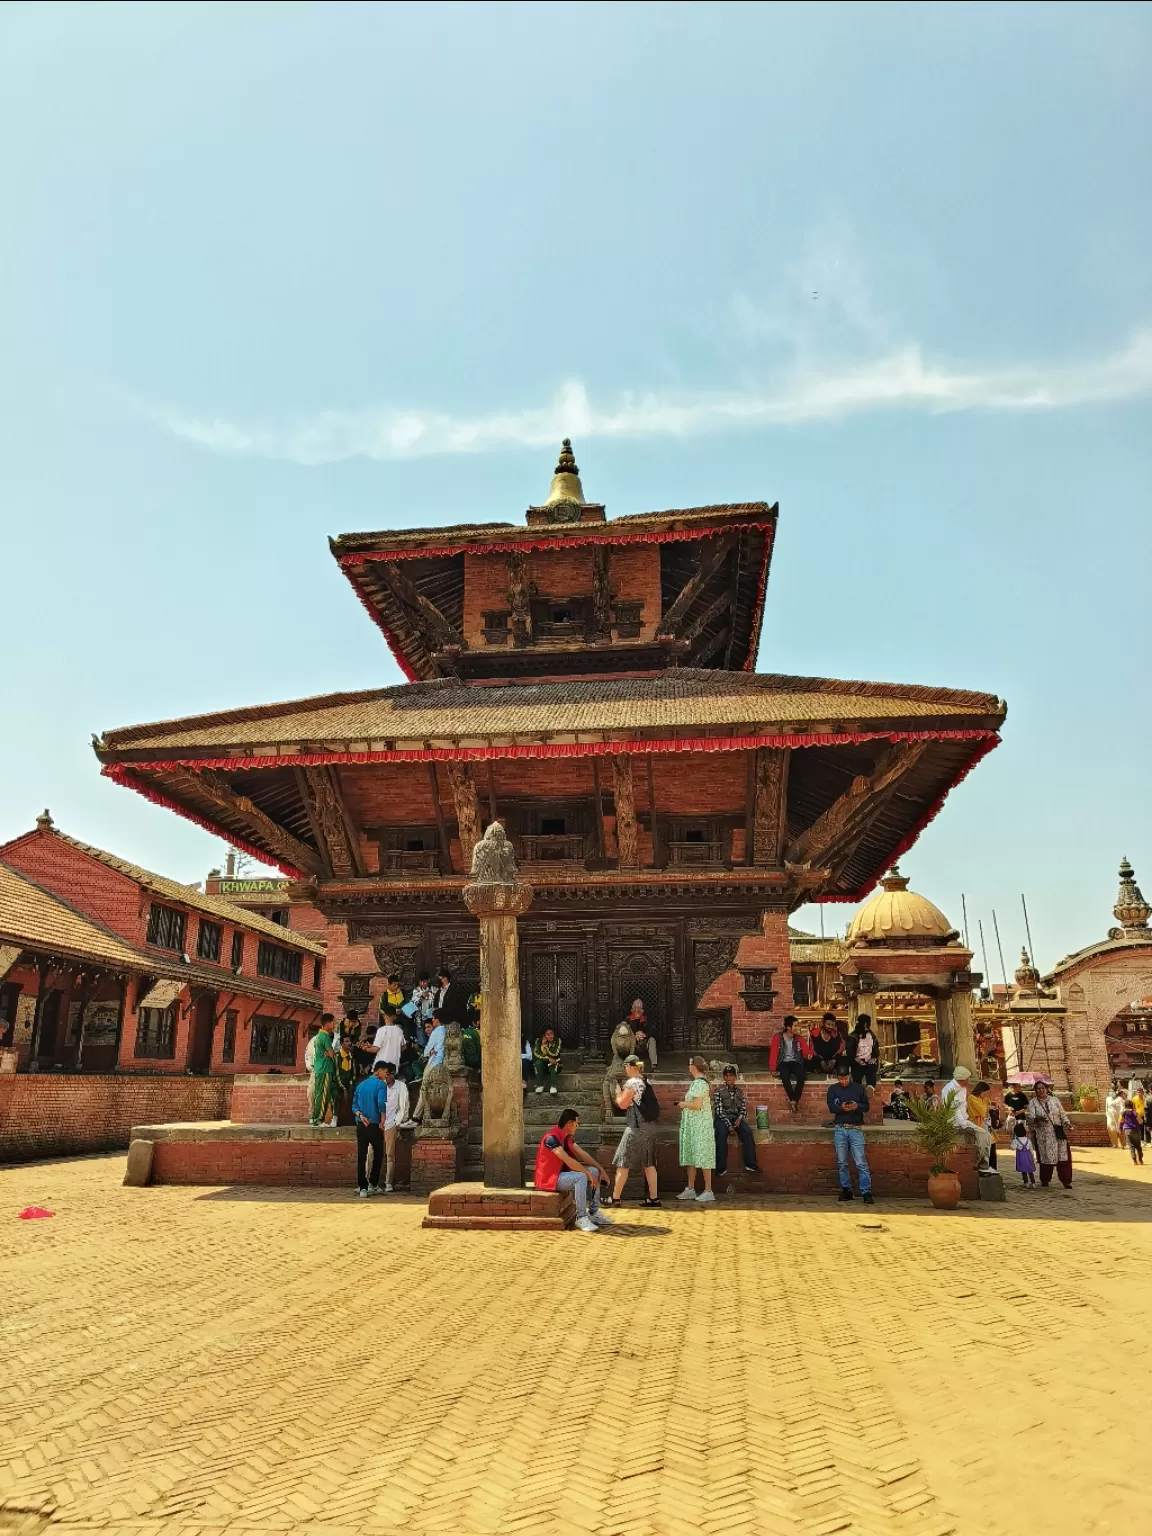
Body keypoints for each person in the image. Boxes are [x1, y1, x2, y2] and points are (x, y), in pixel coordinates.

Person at [534, 1109, 612, 1233]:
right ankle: (581, 1217)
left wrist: (601, 1170)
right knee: (580, 1176)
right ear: (570, 1124)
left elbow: (583, 1154)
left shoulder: (566, 1137)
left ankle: (594, 1212)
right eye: (576, 1124)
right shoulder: (551, 1139)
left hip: (563, 1174)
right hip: (550, 1178)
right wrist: (587, 1174)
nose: (577, 1126)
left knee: (594, 1171)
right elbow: (569, 1161)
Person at [610, 1055, 661, 1208]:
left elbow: (623, 1104)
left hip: (635, 1127)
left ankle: (615, 1198)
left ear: (631, 1066)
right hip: (649, 1128)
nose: (625, 1069)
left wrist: (618, 1093)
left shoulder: (632, 1083)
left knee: (623, 1162)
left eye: (626, 1066)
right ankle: (653, 1198)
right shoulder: (646, 1081)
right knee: (649, 1163)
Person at [826, 1058, 873, 1203]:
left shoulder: (858, 1088)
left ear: (850, 1076)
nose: (844, 1081)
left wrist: (856, 1106)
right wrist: (841, 1108)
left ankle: (866, 1192)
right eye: (841, 1079)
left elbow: (866, 1106)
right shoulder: (833, 1090)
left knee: (860, 1162)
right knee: (842, 1162)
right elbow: (831, 1107)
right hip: (840, 1128)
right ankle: (846, 1190)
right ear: (837, 1078)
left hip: (856, 1128)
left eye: (846, 1078)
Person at [675, 1055, 716, 1202]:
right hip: (694, 1126)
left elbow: (697, 1105)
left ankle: (708, 1190)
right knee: (692, 1155)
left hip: (701, 1126)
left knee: (704, 1156)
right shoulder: (697, 1083)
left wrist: (683, 1104)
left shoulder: (700, 1083)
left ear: (693, 1067)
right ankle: (690, 1188)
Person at [941, 1066, 994, 1171]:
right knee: (982, 1134)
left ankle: (983, 1163)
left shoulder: (963, 1089)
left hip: (964, 1120)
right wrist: (965, 1125)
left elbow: (963, 1108)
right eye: (967, 1079)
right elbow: (954, 1110)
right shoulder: (949, 1089)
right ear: (961, 1079)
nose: (968, 1081)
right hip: (954, 1122)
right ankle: (978, 1162)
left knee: (987, 1136)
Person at [351, 1061, 389, 1196]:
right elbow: (381, 1103)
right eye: (385, 1072)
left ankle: (362, 1187)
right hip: (374, 1124)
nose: (386, 1075)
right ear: (378, 1071)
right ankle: (373, 1183)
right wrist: (383, 1119)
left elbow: (354, 1105)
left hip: (361, 1124)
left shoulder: (360, 1085)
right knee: (378, 1153)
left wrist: (360, 1115)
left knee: (362, 1155)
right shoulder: (381, 1085)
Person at [1026, 1081, 1073, 1189]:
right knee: (1045, 1158)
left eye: (1043, 1088)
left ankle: (1066, 1181)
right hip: (1044, 1135)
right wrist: (1037, 1119)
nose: (1041, 1090)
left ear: (1046, 1089)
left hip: (1058, 1133)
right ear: (1035, 1091)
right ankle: (1045, 1179)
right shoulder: (1033, 1103)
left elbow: (1062, 1114)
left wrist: (1068, 1124)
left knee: (1063, 1157)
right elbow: (1030, 1118)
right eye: (1038, 1088)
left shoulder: (1054, 1100)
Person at [713, 1065, 759, 1176]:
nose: (729, 1078)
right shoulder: (718, 1091)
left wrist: (739, 1119)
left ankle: (750, 1164)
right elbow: (719, 1111)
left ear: (735, 1077)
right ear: (724, 1077)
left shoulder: (739, 1092)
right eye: (727, 1076)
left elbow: (743, 1109)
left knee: (747, 1132)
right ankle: (720, 1168)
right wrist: (729, 1125)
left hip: (736, 1118)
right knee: (721, 1133)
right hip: (722, 1119)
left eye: (731, 1076)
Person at [378, 1059, 410, 1192]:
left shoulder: (401, 1086)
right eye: (387, 1074)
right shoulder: (379, 1085)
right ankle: (371, 1182)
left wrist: (398, 1122)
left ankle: (388, 1183)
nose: (388, 1077)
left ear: (394, 1074)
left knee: (390, 1154)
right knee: (372, 1153)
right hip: (377, 1123)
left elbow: (404, 1106)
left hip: (391, 1122)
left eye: (391, 1074)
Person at [769, 1016, 811, 1113]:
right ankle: (794, 1099)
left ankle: (794, 1100)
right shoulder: (777, 1038)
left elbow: (806, 1050)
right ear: (788, 1027)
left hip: (796, 1061)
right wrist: (772, 1068)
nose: (798, 1028)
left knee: (801, 1076)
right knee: (784, 1076)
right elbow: (774, 1053)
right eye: (795, 1026)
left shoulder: (799, 1038)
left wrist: (808, 1055)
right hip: (783, 1062)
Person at [308, 1017, 336, 1126]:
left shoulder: (318, 1036)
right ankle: (318, 1119)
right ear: (327, 1023)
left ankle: (316, 1118)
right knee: (323, 1095)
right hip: (325, 1069)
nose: (334, 1024)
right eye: (333, 1022)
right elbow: (332, 1054)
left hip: (320, 1068)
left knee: (319, 1094)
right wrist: (330, 1053)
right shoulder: (325, 1037)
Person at [967, 1081, 998, 1170]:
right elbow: (983, 1111)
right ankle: (981, 1167)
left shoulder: (984, 1099)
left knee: (991, 1149)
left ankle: (992, 1169)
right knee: (982, 1148)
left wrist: (992, 1104)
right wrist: (989, 1106)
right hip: (977, 1126)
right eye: (985, 1092)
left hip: (987, 1126)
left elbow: (990, 1104)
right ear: (980, 1091)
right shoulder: (971, 1098)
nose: (986, 1094)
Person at [372, 1007, 407, 1075]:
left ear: (393, 1017)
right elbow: (403, 1047)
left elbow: (376, 1049)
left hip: (381, 1065)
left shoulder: (381, 1030)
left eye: (385, 1015)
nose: (384, 1017)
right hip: (394, 1064)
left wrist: (366, 1049)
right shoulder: (399, 1030)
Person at [848, 1016, 881, 1088]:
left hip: (869, 1061)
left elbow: (876, 1050)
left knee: (871, 1074)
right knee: (856, 1080)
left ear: (865, 1024)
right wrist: (856, 1059)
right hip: (857, 1061)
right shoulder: (852, 1036)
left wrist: (874, 1058)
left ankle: (871, 1089)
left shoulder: (872, 1036)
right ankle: (857, 1091)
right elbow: (849, 1051)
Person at [333, 1034, 357, 1125]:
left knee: (356, 1092)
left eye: (350, 1041)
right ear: (341, 1043)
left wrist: (351, 1084)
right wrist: (343, 1088)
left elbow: (353, 1073)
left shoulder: (351, 1056)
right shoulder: (337, 1056)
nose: (349, 1043)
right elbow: (337, 1074)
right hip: (337, 1083)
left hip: (348, 1082)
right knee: (336, 1094)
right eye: (346, 1041)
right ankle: (335, 1118)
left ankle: (354, 1118)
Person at [532, 1028, 562, 1094]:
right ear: (544, 1036)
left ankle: (553, 1086)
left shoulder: (557, 1041)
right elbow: (537, 1054)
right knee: (538, 1063)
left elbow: (555, 1054)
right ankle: (539, 1085)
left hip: (556, 1064)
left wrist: (547, 1047)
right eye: (548, 1034)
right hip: (543, 1065)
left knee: (553, 1063)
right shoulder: (538, 1041)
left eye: (552, 1034)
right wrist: (548, 1058)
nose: (551, 1036)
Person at [1011, 1116, 1037, 1186]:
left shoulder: (1016, 1140)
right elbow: (1031, 1149)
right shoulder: (1028, 1140)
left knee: (1024, 1170)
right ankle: (1033, 1182)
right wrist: (1033, 1156)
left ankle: (1026, 1182)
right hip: (1028, 1155)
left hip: (1021, 1156)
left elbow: (1012, 1148)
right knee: (1030, 1169)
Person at [1121, 1100, 1144, 1165]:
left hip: (1127, 1130)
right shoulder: (1135, 1113)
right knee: (1138, 1145)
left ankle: (1134, 1161)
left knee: (1131, 1146)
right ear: (1132, 1105)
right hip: (1136, 1130)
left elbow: (1121, 1121)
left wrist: (1121, 1127)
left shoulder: (1124, 1113)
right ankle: (1140, 1160)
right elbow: (1140, 1121)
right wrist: (1140, 1122)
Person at [1106, 1084, 1127, 1150]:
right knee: (1111, 1129)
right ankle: (1115, 1143)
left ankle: (1122, 1144)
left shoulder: (1120, 1099)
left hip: (1118, 1115)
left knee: (1120, 1130)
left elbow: (1122, 1108)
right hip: (1110, 1115)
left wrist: (1122, 1115)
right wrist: (1106, 1114)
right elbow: (1107, 1107)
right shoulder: (1108, 1098)